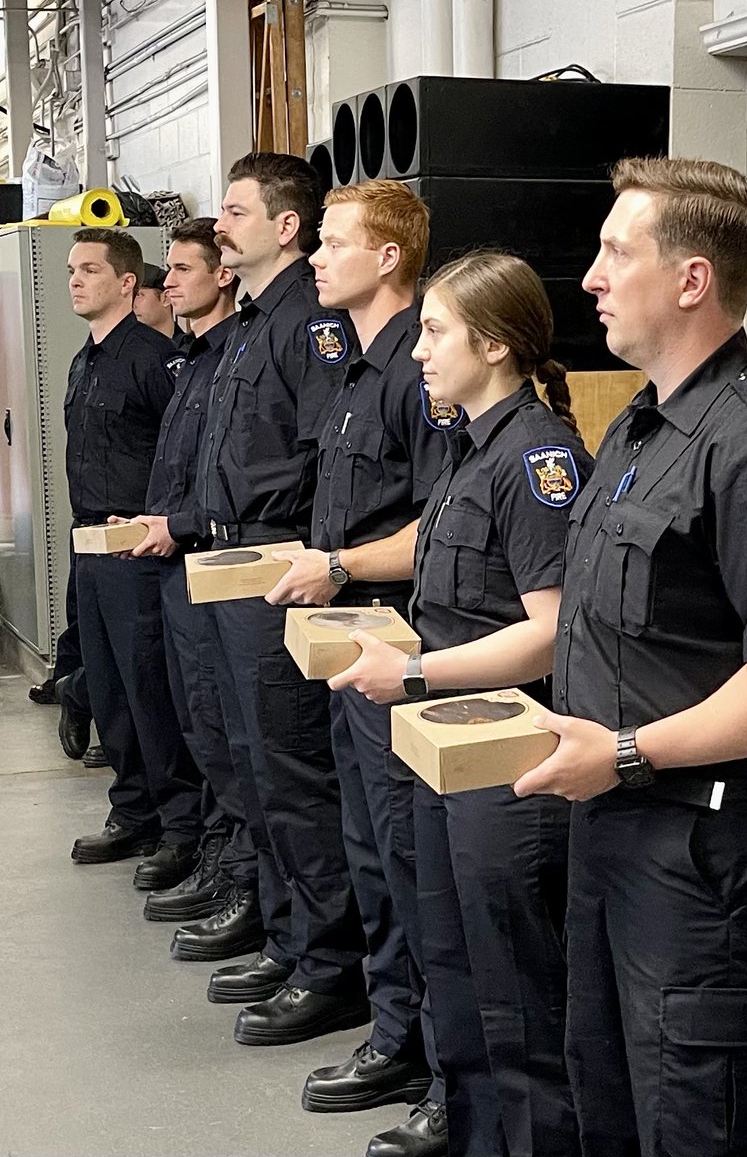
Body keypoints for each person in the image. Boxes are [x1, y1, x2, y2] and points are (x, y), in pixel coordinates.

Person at [512, 157, 747, 1157]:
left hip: (703, 858)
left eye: (616, 251)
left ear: (692, 280)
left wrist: (624, 752)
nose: (589, 275)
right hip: (616, 832)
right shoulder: (638, 428)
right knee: (613, 1100)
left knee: (700, 1122)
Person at [330, 251, 593, 1157]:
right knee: (447, 951)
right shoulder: (469, 446)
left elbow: (550, 632)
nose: (419, 352)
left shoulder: (536, 457)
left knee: (516, 986)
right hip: (446, 737)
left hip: (506, 756)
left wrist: (411, 675)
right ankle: (471, 1129)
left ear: (493, 342)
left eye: (436, 332)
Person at [266, 180, 462, 1156]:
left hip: (403, 644)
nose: (316, 257)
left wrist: (339, 565)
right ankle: (395, 1033)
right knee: (374, 853)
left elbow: (440, 529)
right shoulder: (351, 370)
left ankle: (438, 1060)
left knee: (413, 859)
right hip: (349, 643)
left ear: (389, 257)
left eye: (335, 242)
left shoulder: (417, 373)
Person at [171, 153, 369, 1050]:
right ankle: (290, 938)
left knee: (289, 774)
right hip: (227, 566)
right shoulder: (251, 324)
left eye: (236, 211)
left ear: (284, 226)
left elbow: (324, 461)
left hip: (273, 569)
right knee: (247, 762)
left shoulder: (310, 326)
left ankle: (329, 967)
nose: (221, 226)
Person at [109, 218, 244, 911]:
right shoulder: (190, 360)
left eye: (182, 269)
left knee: (223, 733)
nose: (169, 282)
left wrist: (180, 524)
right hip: (177, 564)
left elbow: (234, 483)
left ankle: (238, 876)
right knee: (197, 724)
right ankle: (217, 856)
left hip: (214, 566)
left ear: (224, 274)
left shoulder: (231, 360)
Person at [64, 228, 204, 871]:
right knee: (110, 688)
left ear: (126, 283)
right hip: (90, 545)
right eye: (71, 270)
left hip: (140, 552)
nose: (74, 280)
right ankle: (132, 811)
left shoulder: (156, 360)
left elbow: (187, 456)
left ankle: (179, 826)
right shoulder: (82, 360)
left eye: (89, 270)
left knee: (151, 690)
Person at [133, 262, 190, 348]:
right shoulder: (128, 352)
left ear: (166, 298)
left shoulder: (190, 351)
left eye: (138, 295)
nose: (132, 304)